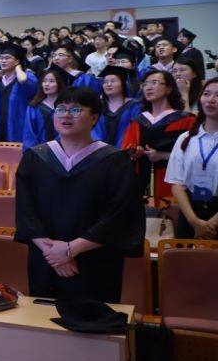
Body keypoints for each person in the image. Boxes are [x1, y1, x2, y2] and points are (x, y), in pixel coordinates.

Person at [15, 88, 144, 301]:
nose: (66, 115)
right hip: (47, 261)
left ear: (94, 117)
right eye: (60, 109)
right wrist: (53, 254)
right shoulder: (34, 158)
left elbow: (121, 215)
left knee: (93, 318)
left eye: (76, 109)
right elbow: (25, 210)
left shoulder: (114, 161)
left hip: (95, 261)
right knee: (43, 315)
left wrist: (70, 250)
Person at [121, 70, 195, 206]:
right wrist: (134, 153)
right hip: (141, 180)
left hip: (173, 181)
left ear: (169, 89)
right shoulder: (138, 121)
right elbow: (126, 150)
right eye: (145, 84)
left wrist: (163, 155)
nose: (148, 87)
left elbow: (194, 155)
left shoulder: (186, 120)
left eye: (154, 83)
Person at [166, 77, 218, 239]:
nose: (211, 99)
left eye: (217, 95)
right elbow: (177, 183)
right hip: (190, 214)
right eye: (207, 94)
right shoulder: (186, 138)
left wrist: (213, 223)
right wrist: (194, 221)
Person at [0, 42, 38, 142]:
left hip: (18, 128)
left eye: (7, 58)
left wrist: (18, 69)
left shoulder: (26, 77)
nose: (3, 61)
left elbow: (23, 80)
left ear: (17, 61)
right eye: (1, 58)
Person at [93, 65, 141, 147]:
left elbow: (134, 131)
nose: (108, 84)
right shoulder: (98, 106)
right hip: (100, 150)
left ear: (123, 84)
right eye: (105, 82)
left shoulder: (135, 106)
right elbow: (95, 132)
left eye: (113, 81)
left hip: (126, 150)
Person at [23, 66, 68, 151]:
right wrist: (34, 152)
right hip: (38, 152)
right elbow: (29, 134)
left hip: (63, 152)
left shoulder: (67, 108)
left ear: (59, 84)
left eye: (51, 81)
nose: (46, 84)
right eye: (44, 81)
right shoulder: (34, 107)